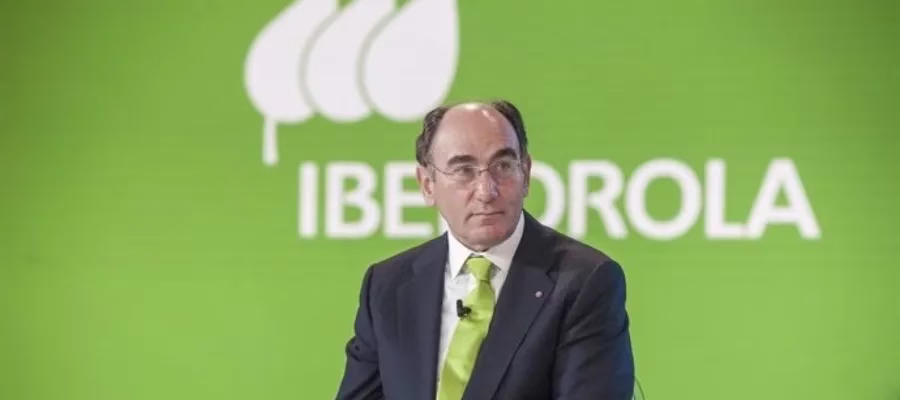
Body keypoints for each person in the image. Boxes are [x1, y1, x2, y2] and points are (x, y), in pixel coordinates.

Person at [336, 99, 635, 400]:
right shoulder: (387, 285)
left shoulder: (583, 281)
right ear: (427, 184)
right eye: (464, 170)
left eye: (503, 166)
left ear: (526, 173)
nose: (486, 191)